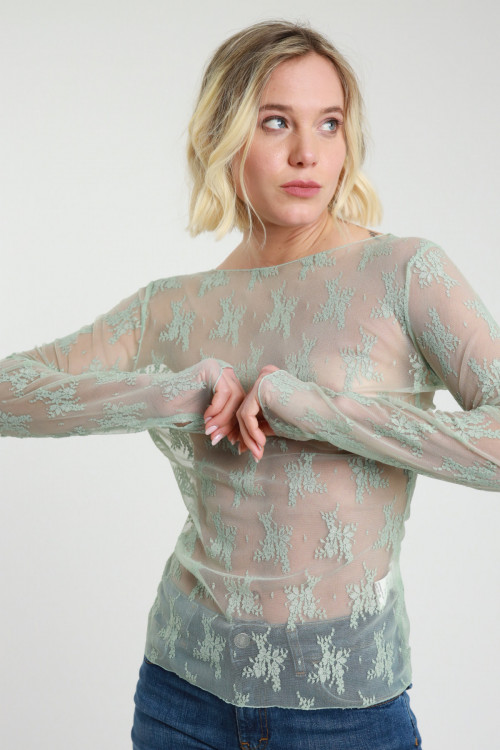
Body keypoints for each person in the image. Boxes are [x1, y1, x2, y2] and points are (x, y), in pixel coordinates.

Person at [2, 19, 500, 750]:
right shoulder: (168, 306)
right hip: (180, 698)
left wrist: (313, 409)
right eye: (275, 122)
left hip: (347, 712)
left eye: (328, 123)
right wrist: (172, 395)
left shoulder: (406, 273)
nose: (307, 153)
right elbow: (10, 390)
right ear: (225, 135)